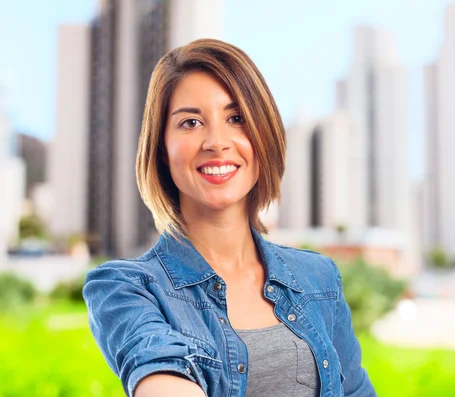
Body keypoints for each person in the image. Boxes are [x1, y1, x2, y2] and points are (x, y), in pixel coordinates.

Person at [83, 38, 376, 397]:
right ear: (161, 147)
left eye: (236, 118)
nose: (216, 142)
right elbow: (160, 377)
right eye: (190, 122)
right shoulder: (125, 288)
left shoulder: (319, 278)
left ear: (262, 133)